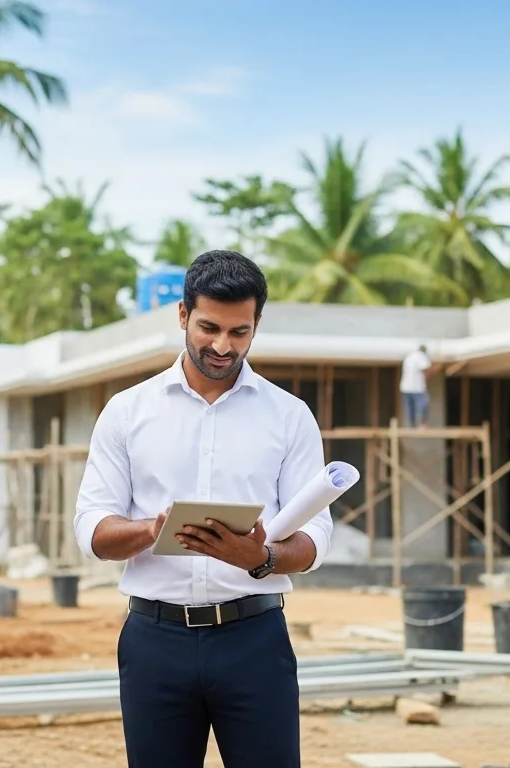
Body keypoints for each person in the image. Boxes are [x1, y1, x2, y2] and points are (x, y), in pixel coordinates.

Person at [73, 249, 333, 768]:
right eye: (209, 327)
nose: (222, 345)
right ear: (183, 315)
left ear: (256, 325)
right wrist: (153, 529)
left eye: (240, 332)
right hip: (155, 643)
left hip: (255, 640)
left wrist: (258, 558)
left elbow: (317, 538)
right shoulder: (128, 412)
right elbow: (91, 530)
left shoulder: (290, 416)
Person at [400, 343, 435, 428]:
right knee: (423, 405)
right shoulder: (421, 356)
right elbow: (425, 369)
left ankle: (412, 426)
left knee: (410, 408)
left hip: (406, 387)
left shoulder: (409, 357)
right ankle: (424, 423)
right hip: (417, 388)